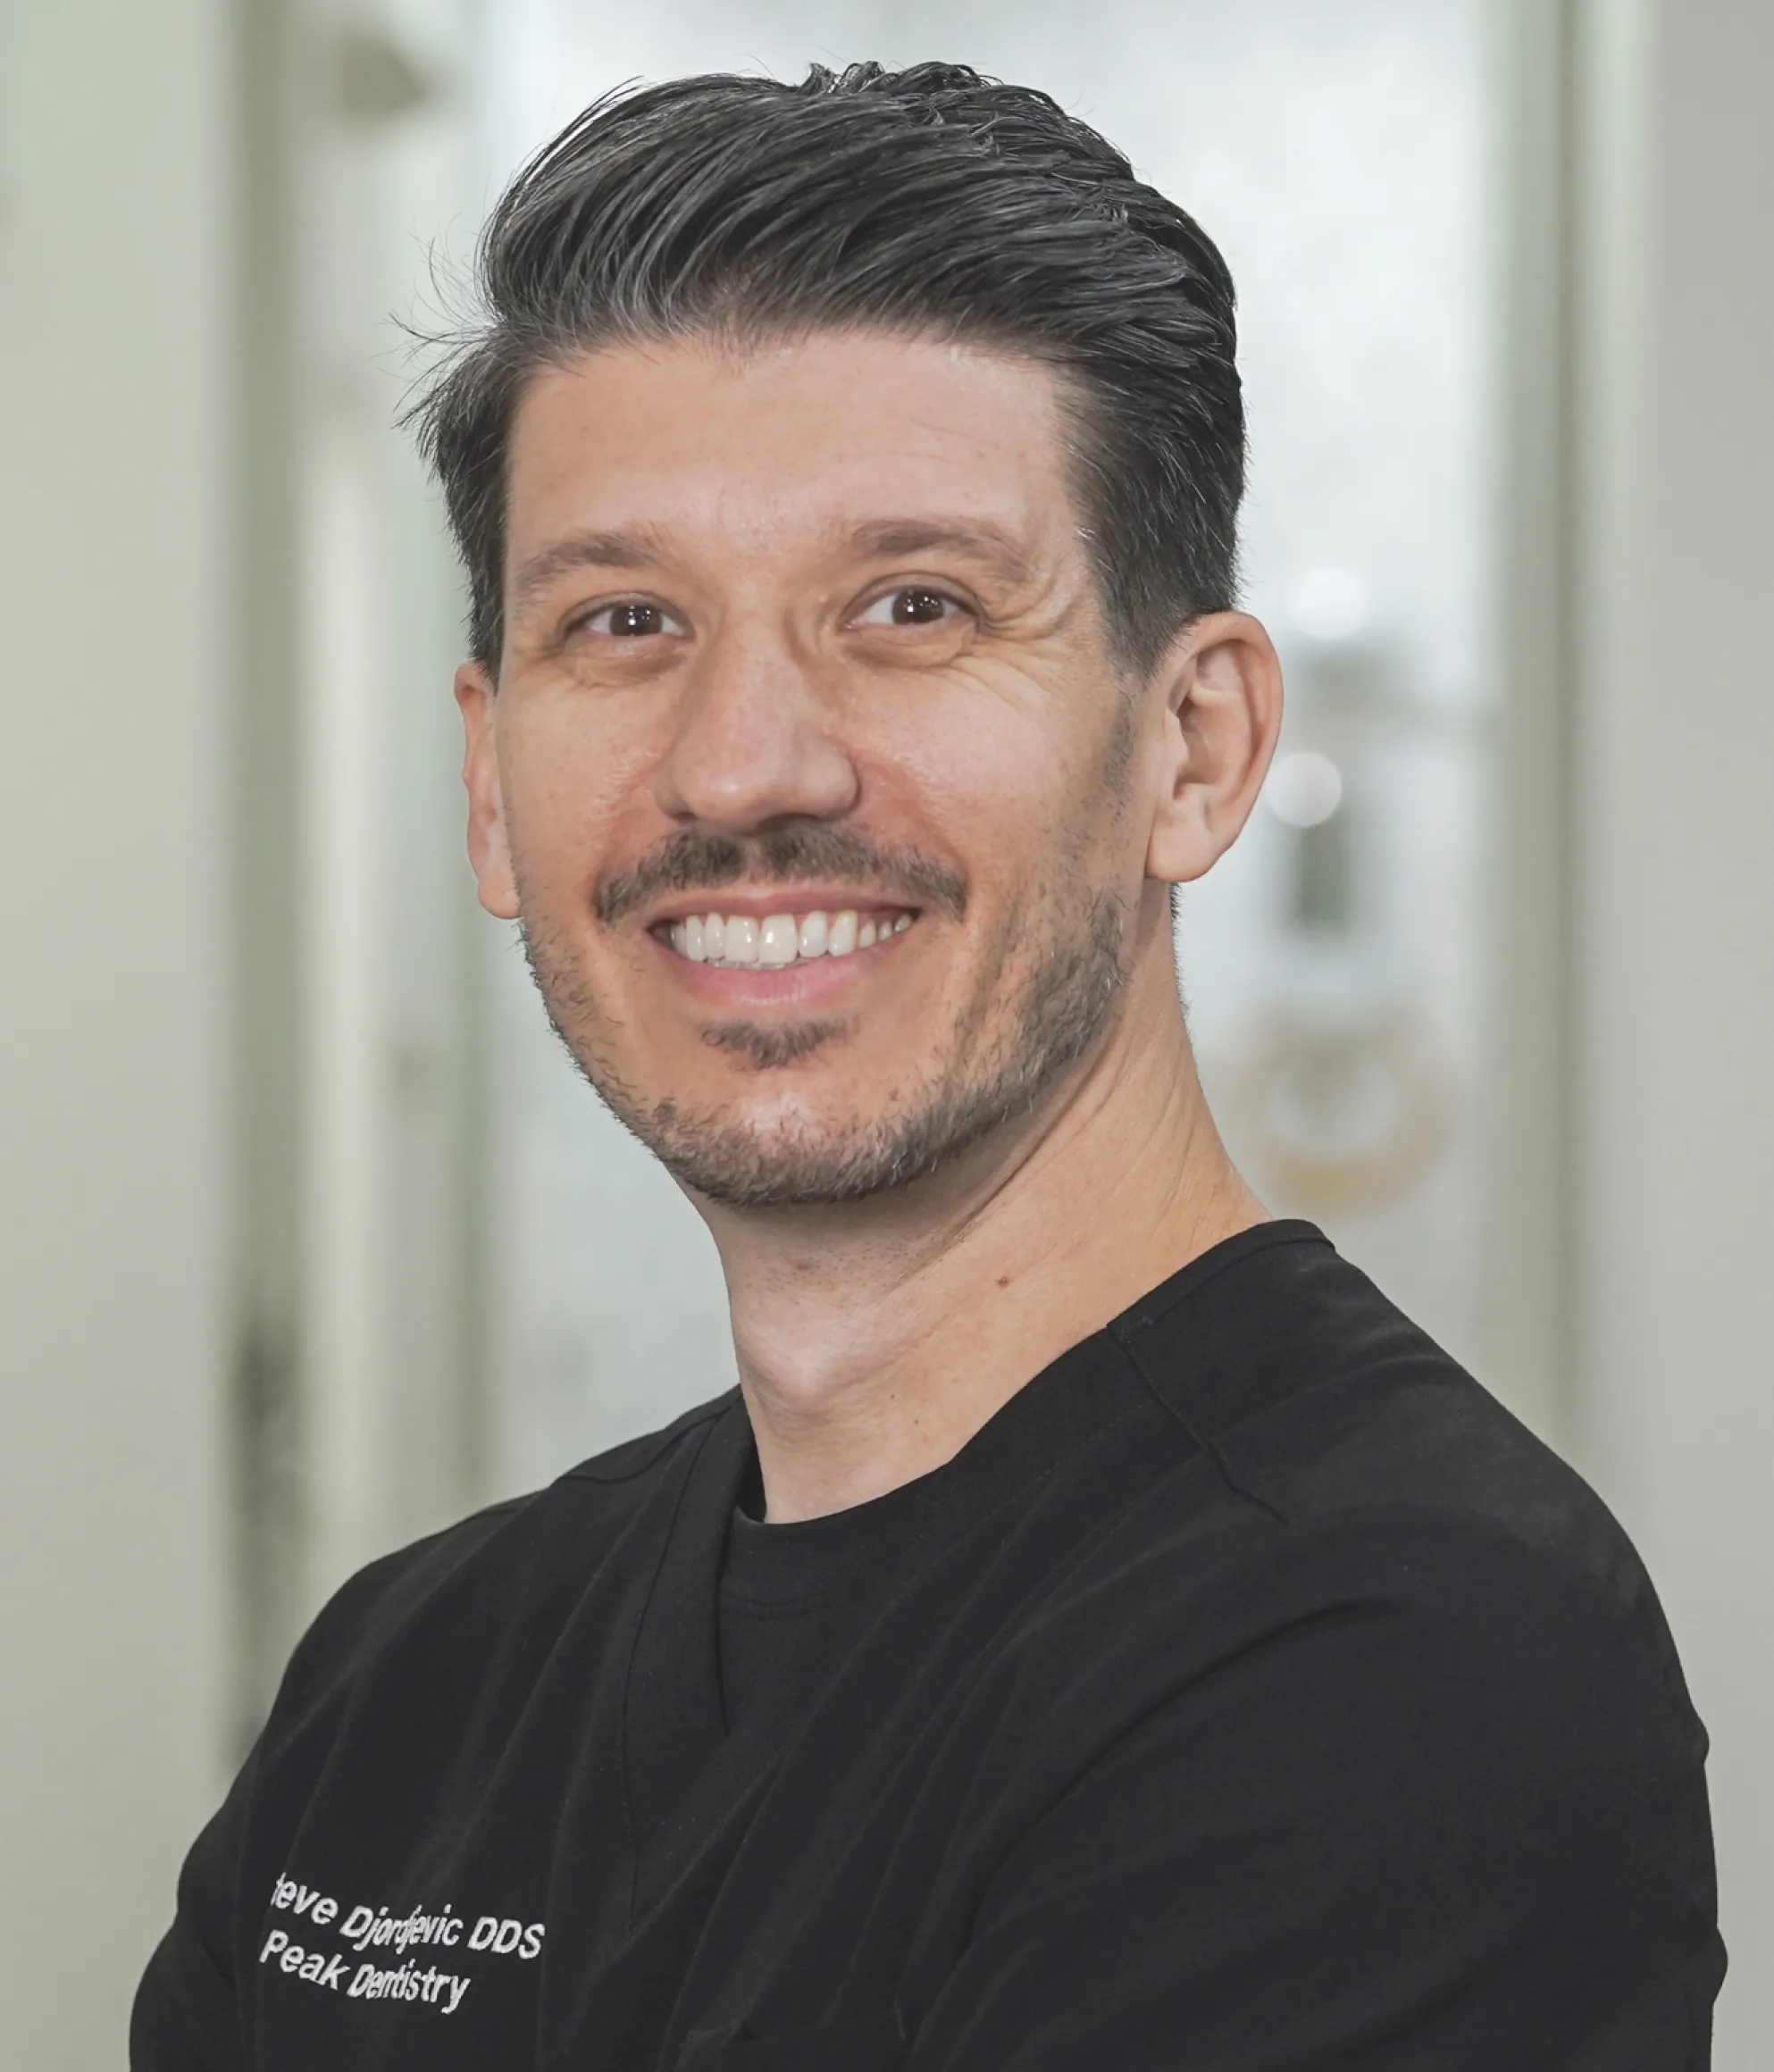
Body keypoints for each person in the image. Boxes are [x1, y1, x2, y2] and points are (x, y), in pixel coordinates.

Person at [132, 60, 1724, 2070]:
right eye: (625, 620)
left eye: (913, 605)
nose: (744, 764)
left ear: (1198, 747)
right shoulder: (413, 1678)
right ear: (485, 772)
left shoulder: (1399, 1660)